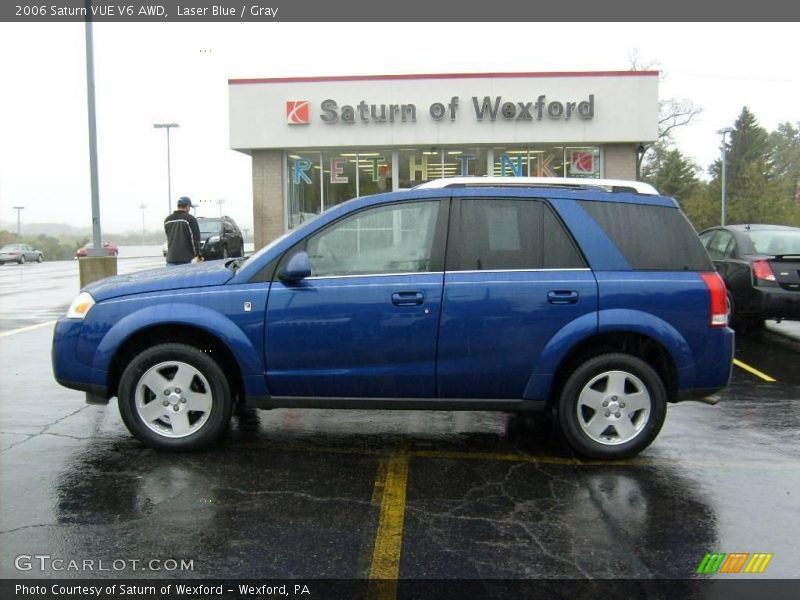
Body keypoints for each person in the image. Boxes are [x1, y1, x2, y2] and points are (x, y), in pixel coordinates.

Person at [164, 196, 203, 265]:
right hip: (187, 260)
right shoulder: (190, 219)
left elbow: (169, 238)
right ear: (187, 206)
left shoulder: (167, 220)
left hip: (170, 259)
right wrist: (199, 256)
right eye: (190, 207)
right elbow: (195, 239)